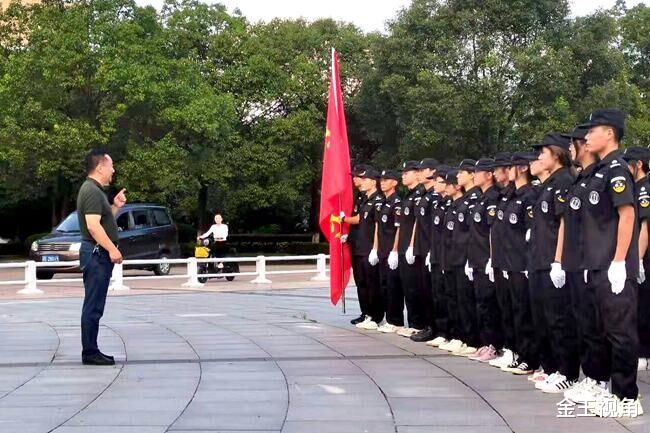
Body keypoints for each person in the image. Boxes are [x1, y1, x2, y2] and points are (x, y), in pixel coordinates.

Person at [576, 108, 642, 416]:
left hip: (614, 265)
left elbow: (627, 214)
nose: (587, 136)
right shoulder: (598, 170)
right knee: (599, 329)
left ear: (610, 134)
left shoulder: (617, 168)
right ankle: (604, 385)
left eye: (593, 130)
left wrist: (619, 262)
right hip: (596, 263)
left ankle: (627, 396)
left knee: (620, 332)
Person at [559, 127, 611, 403]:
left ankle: (600, 381)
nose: (570, 150)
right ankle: (590, 377)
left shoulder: (605, 176)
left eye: (574, 144)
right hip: (576, 262)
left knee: (595, 325)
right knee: (583, 323)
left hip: (594, 262)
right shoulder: (581, 180)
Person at [528, 133, 579, 393]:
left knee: (559, 320)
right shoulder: (547, 185)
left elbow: (563, 222)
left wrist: (558, 260)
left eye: (542, 152)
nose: (538, 156)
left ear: (556, 154)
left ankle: (567, 372)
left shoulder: (564, 181)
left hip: (552, 261)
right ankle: (550, 368)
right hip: (538, 259)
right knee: (543, 318)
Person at [77, 149, 127, 366]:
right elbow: (93, 227)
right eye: (111, 165)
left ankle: (91, 349)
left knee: (95, 304)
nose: (113, 170)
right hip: (96, 255)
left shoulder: (95, 191)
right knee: (93, 305)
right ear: (99, 167)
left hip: (97, 253)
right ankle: (89, 352)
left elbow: (102, 222)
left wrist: (115, 206)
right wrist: (112, 250)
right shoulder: (91, 191)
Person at [499, 151, 539, 375]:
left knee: (525, 313)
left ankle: (530, 357)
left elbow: (530, 231)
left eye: (511, 166)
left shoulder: (529, 195)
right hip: (510, 261)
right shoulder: (512, 195)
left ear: (522, 168)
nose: (507, 171)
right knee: (515, 310)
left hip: (524, 262)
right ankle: (520, 352)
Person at [467, 158, 503, 362]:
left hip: (487, 258)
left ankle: (495, 345)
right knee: (481, 303)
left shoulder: (493, 198)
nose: (474, 175)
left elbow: (491, 231)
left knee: (490, 305)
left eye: (478, 171)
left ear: (489, 175)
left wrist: (491, 256)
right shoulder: (481, 198)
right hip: (477, 258)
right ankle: (486, 343)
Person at [342, 168, 384, 330]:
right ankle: (365, 313)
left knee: (372, 282)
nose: (360, 181)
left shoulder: (378, 199)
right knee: (361, 283)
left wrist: (343, 219)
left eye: (364, 178)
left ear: (373, 181)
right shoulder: (363, 198)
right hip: (358, 246)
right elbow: (359, 222)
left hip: (369, 247)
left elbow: (375, 226)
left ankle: (376, 315)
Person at [488, 152, 518, 369]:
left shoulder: (521, 194)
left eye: (499, 168)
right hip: (500, 258)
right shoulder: (504, 195)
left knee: (517, 309)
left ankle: (519, 352)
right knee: (505, 307)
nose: (495, 173)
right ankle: (509, 348)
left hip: (516, 261)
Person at [622, 147, 650, 371]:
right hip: (635, 255)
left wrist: (639, 259)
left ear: (638, 164)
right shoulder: (634, 188)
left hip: (644, 257)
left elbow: (645, 228)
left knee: (642, 305)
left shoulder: (644, 189)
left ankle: (644, 353)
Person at [395, 161, 427, 337]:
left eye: (407, 172)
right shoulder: (407, 196)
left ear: (416, 174)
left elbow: (417, 223)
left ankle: (419, 322)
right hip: (403, 247)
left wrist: (411, 246)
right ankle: (413, 322)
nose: (403, 175)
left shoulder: (421, 194)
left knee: (416, 287)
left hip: (412, 248)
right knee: (408, 287)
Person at [411, 158, 440, 342]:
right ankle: (427, 325)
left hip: (432, 250)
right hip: (422, 248)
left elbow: (434, 227)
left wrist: (432, 248)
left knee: (431, 292)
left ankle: (434, 328)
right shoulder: (423, 194)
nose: (419, 173)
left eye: (422, 170)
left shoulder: (434, 197)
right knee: (422, 290)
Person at [375, 169, 405, 333]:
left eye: (387, 180)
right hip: (382, 249)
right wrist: (375, 248)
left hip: (391, 250)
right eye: (382, 180)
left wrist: (394, 250)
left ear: (394, 182)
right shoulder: (383, 203)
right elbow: (378, 227)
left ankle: (396, 320)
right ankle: (388, 318)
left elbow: (399, 228)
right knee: (384, 285)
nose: (383, 182)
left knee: (394, 287)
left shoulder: (397, 203)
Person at [427, 165, 452, 347]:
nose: (435, 184)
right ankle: (442, 331)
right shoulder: (439, 203)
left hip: (448, 257)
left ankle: (450, 333)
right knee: (438, 295)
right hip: (436, 254)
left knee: (448, 295)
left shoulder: (452, 204)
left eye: (439, 181)